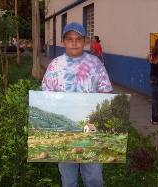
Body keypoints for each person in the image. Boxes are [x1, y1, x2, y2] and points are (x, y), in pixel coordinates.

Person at [42, 22, 113, 187]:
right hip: (64, 130)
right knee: (68, 179)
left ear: (85, 41)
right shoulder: (54, 66)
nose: (74, 43)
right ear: (63, 41)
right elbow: (46, 97)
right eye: (69, 39)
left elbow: (106, 94)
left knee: (94, 176)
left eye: (78, 39)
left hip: (91, 127)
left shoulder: (95, 64)